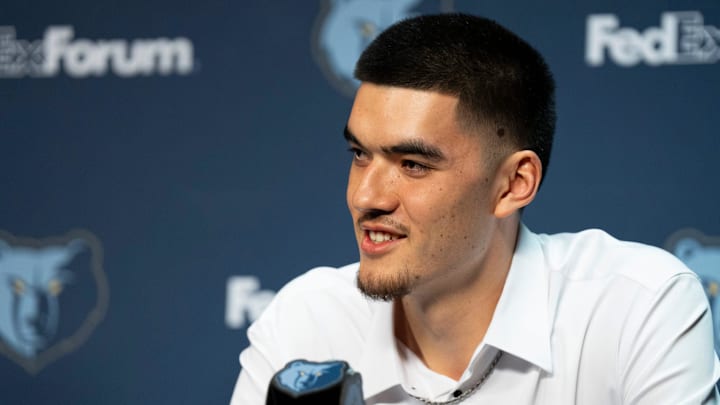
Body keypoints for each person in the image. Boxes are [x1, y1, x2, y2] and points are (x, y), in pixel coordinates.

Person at [230, 13, 720, 404]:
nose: (366, 197)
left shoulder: (635, 307)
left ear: (513, 184)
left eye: (414, 164)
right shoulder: (307, 321)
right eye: (361, 155)